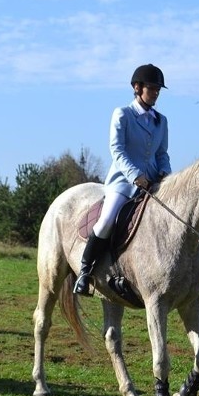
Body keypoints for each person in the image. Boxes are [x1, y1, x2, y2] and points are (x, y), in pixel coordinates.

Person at [73, 63, 171, 296]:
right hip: (124, 182)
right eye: (152, 87)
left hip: (154, 184)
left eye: (158, 88)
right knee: (107, 220)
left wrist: (165, 173)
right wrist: (136, 176)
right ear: (137, 88)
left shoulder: (162, 120)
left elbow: (162, 154)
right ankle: (85, 273)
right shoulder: (123, 114)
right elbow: (117, 150)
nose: (156, 92)